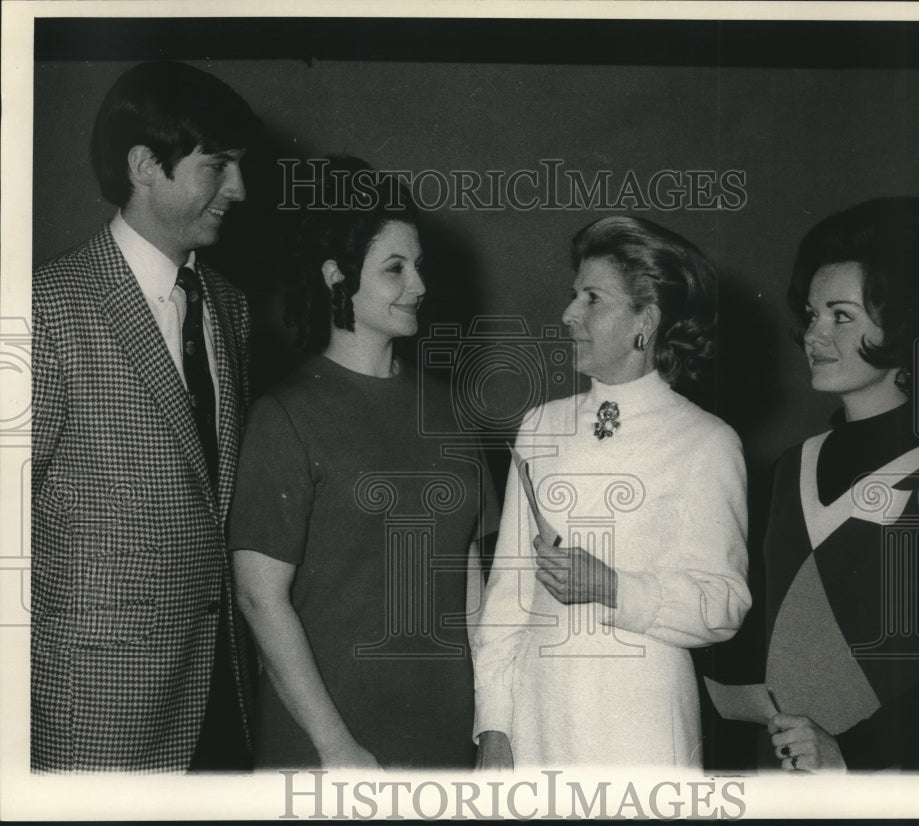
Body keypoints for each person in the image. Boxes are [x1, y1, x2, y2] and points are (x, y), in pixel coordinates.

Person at [229, 157, 498, 769]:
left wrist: (494, 725)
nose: (420, 286)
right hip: (328, 744)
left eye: (419, 266)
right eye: (395, 268)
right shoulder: (285, 416)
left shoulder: (449, 410)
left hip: (445, 732)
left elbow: (474, 587)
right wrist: (337, 748)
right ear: (335, 278)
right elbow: (259, 599)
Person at [31, 61, 261, 771]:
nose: (240, 190)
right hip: (99, 702)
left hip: (221, 688)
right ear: (143, 165)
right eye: (217, 166)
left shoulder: (229, 306)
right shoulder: (48, 308)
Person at [472, 215, 751, 768]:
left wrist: (613, 587)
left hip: (640, 727)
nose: (569, 313)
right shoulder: (540, 426)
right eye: (574, 295)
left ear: (644, 321)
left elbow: (724, 604)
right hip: (536, 720)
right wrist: (494, 726)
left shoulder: (707, 442)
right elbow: (506, 596)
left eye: (592, 299)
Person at [762, 197, 919, 772]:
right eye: (811, 314)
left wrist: (852, 753)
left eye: (841, 316)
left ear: (908, 324)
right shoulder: (791, 467)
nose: (814, 334)